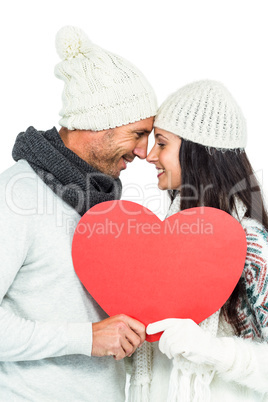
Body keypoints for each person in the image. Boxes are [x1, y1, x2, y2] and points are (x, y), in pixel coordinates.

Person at [0, 26, 157, 401]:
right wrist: (86, 337)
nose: (143, 151)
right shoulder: (17, 194)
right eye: (137, 133)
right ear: (98, 122)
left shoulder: (103, 203)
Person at [128, 80, 268, 401]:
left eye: (161, 143)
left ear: (197, 152)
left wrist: (210, 350)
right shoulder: (166, 237)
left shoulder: (252, 244)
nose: (150, 155)